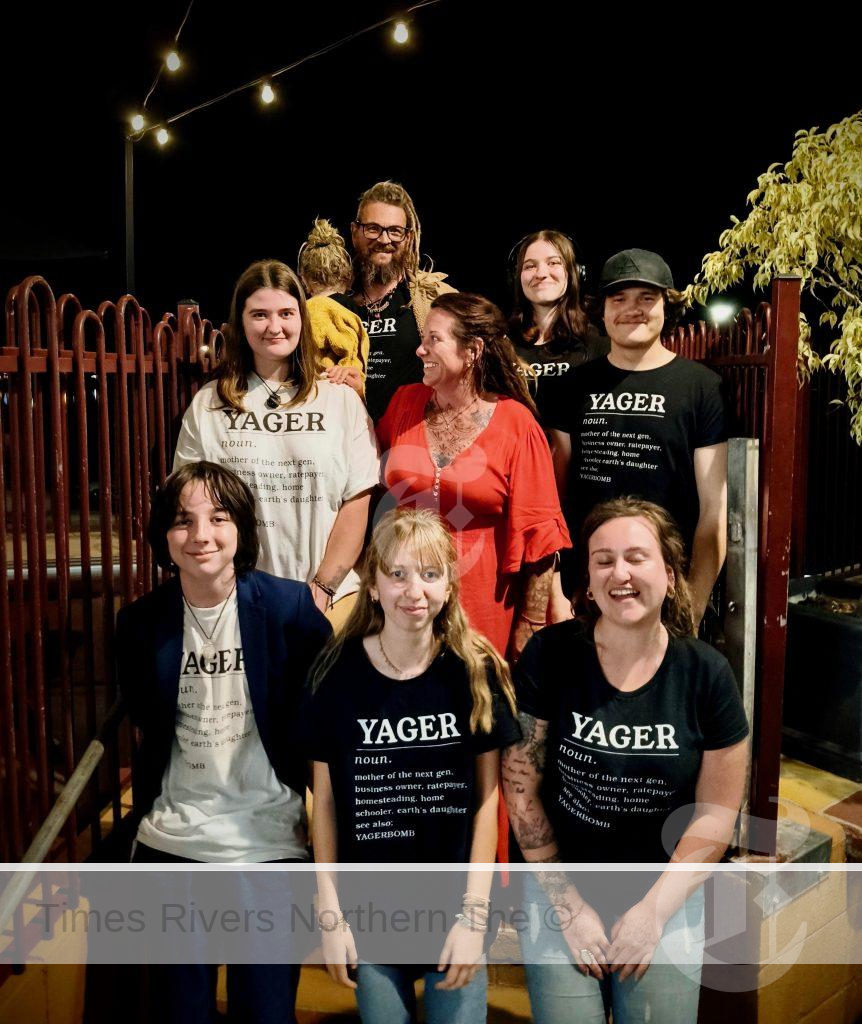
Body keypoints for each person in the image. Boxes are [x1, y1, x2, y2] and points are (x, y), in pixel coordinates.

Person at [502, 497, 749, 1024]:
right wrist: (567, 906)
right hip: (559, 881)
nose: (621, 574)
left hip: (668, 888)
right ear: (587, 580)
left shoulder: (707, 674)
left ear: (670, 571)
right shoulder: (551, 655)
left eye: (637, 557)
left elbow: (716, 814)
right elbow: (521, 789)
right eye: (603, 560)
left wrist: (653, 913)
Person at [118, 461, 332, 1024]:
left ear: (241, 528)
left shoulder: (289, 611)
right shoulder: (141, 624)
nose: (202, 535)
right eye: (183, 522)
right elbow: (146, 715)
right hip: (172, 843)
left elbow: (327, 717)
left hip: (267, 843)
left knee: (265, 1013)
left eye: (218, 517)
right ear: (165, 537)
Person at [304, 506, 521, 1024]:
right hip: (369, 915)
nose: (413, 591)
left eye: (429, 574)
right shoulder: (335, 674)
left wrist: (475, 915)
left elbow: (486, 807)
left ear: (448, 586)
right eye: (397, 574)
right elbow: (325, 805)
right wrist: (330, 915)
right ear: (373, 586)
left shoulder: (474, 669)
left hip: (454, 914)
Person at [173, 259, 379, 625]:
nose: (274, 327)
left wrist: (322, 588)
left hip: (330, 602)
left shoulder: (340, 400)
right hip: (237, 600)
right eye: (259, 315)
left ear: (302, 318)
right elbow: (190, 505)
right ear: (240, 322)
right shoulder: (209, 405)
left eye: (286, 313)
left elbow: (357, 500)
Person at [376, 291, 571, 661]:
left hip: (481, 607)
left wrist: (531, 623)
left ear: (472, 351)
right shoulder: (404, 403)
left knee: (475, 707)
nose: (421, 350)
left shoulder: (516, 423)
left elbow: (540, 534)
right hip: (405, 601)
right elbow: (364, 476)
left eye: (434, 339)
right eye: (422, 340)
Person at [545, 248, 728, 625]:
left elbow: (714, 514)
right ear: (602, 309)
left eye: (647, 298)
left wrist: (691, 608)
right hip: (588, 590)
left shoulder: (702, 388)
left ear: (667, 306)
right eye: (619, 298)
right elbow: (552, 501)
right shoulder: (571, 388)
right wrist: (558, 591)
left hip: (667, 591)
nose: (633, 309)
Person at [332, 180, 456, 421]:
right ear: (354, 231)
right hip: (343, 439)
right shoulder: (332, 299)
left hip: (414, 440)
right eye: (373, 228)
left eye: (395, 231)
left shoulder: (434, 297)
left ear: (408, 237)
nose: (384, 239)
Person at [508, 229, 609, 424]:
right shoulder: (501, 343)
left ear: (575, 272)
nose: (541, 274)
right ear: (516, 277)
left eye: (553, 263)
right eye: (530, 266)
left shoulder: (601, 341)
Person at [298, 216, 368, 398]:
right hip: (340, 392)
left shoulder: (299, 311)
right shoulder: (351, 309)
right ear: (346, 274)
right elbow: (351, 357)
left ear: (304, 278)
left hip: (308, 393)